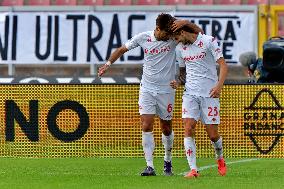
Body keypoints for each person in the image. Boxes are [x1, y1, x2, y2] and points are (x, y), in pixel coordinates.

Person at [98, 13, 203, 176]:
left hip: (166, 91)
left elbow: (198, 36)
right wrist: (107, 64)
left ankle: (167, 161)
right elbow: (121, 49)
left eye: (170, 33)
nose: (168, 36)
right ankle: (149, 166)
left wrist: (186, 23)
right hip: (146, 88)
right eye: (165, 33)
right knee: (146, 125)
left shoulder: (173, 40)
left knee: (166, 128)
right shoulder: (143, 38)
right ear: (157, 28)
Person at [170, 26, 228, 178]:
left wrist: (218, 87)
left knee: (213, 135)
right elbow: (183, 75)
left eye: (176, 38)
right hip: (190, 94)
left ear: (182, 32)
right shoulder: (180, 49)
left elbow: (223, 65)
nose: (176, 42)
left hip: (210, 94)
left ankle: (220, 157)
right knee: (188, 127)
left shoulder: (208, 41)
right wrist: (178, 82)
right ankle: (193, 169)